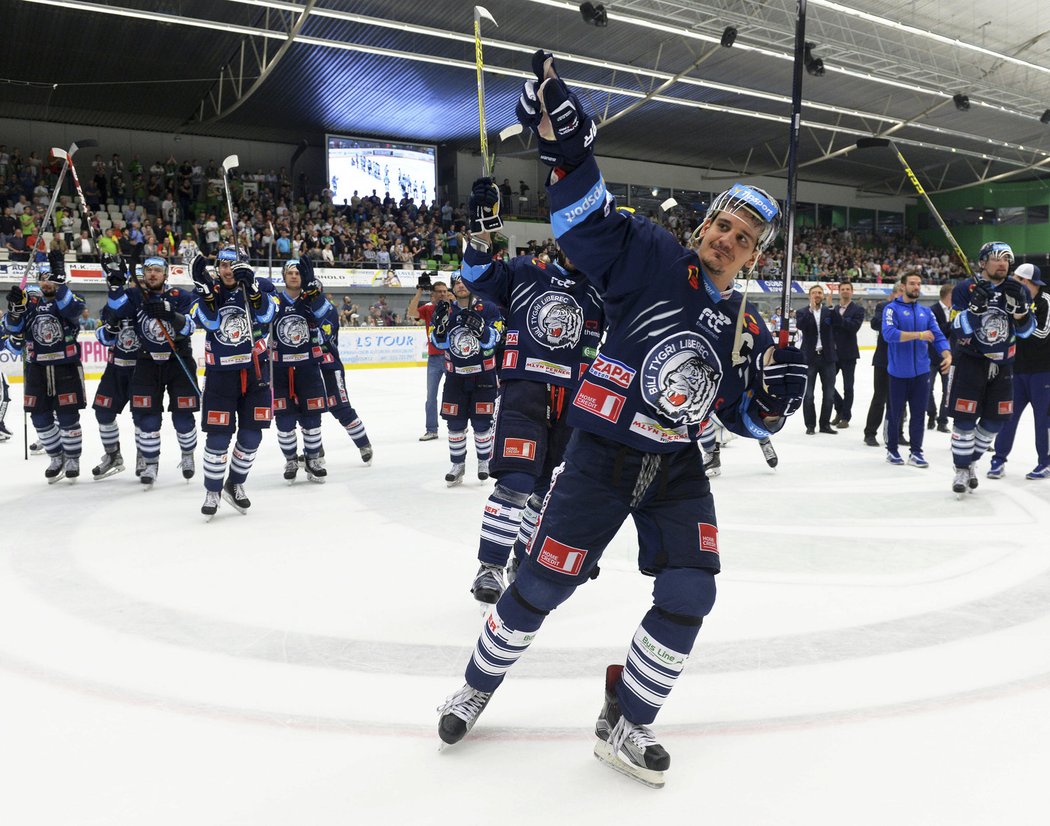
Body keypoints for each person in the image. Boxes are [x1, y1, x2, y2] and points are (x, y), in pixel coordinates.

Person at [437, 52, 807, 788]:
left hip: (674, 467)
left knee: (691, 592)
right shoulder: (651, 255)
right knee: (540, 588)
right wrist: (568, 150)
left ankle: (627, 717)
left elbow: (742, 418)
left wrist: (776, 402)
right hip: (602, 452)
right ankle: (477, 684)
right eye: (721, 224)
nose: (725, 239)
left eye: (742, 237)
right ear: (704, 225)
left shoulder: (746, 326)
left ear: (755, 254)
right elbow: (585, 223)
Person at [459, 195, 604, 607]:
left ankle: (522, 559)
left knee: (547, 490)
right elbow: (475, 275)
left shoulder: (601, 290)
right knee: (516, 482)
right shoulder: (526, 271)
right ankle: (489, 566)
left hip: (576, 401)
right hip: (527, 390)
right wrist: (483, 229)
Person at [190, 246, 278, 517]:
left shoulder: (261, 285)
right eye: (223, 265)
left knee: (252, 435)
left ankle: (235, 484)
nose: (227, 270)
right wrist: (206, 296)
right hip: (220, 375)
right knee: (218, 437)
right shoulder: (207, 289)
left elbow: (266, 316)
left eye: (233, 264)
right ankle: (213, 490)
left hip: (256, 372)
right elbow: (211, 323)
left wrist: (253, 291)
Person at [948, 242, 1034, 495]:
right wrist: (975, 309)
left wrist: (1020, 312)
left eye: (1007, 259)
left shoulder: (1018, 289)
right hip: (971, 361)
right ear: (982, 263)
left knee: (996, 421)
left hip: (1004, 364)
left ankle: (971, 460)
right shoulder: (966, 288)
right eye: (996, 259)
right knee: (964, 420)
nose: (1003, 263)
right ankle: (962, 469)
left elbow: (1027, 332)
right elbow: (957, 329)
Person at [105, 255, 199, 486]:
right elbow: (116, 308)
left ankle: (187, 455)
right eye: (148, 271)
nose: (153, 274)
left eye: (157, 270)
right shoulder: (135, 295)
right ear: (143, 274)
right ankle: (150, 463)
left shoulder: (180, 296)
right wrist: (116, 286)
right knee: (147, 419)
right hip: (146, 362)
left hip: (179, 360)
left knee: (183, 419)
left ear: (166, 274)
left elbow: (191, 327)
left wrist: (171, 315)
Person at [2, 256, 87, 482]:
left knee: (68, 416)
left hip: (65, 366)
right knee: (39, 417)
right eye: (43, 279)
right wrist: (14, 308)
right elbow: (12, 328)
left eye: (51, 280)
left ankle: (72, 458)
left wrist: (60, 286)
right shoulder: (30, 303)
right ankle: (56, 455)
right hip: (37, 368)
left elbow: (72, 310)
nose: (46, 283)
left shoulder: (70, 297)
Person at [429, 274, 502, 486]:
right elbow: (438, 344)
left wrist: (482, 330)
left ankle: (483, 463)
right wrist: (440, 330)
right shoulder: (445, 310)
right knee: (455, 423)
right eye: (456, 283)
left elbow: (493, 341)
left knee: (482, 423)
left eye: (464, 281)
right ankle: (457, 465)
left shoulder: (488, 308)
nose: (460, 285)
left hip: (484, 376)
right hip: (455, 377)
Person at [986, 263, 1050, 480]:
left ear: (1026, 282)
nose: (1013, 284)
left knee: (1043, 420)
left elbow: (1042, 334)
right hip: (1016, 369)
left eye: (1017, 281)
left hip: (1043, 371)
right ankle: (998, 459)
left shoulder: (1045, 302)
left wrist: (1020, 324)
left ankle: (1045, 462)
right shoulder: (1009, 301)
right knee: (1007, 417)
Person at [881, 272, 951, 467]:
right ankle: (892, 450)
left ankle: (916, 452)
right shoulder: (891, 309)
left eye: (919, 284)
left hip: (921, 373)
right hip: (897, 373)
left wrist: (947, 353)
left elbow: (937, 336)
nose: (916, 287)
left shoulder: (926, 312)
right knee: (895, 414)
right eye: (912, 283)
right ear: (903, 286)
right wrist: (919, 335)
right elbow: (889, 334)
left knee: (919, 413)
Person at [271, 257, 331, 483]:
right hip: (280, 370)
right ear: (284, 276)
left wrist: (313, 290)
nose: (294, 276)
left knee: (312, 419)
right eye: (291, 273)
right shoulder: (274, 300)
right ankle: (290, 459)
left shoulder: (311, 298)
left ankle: (313, 459)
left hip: (308, 367)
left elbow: (325, 314)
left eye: (298, 273)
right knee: (284, 422)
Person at [862, 282, 906, 447]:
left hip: (903, 361)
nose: (903, 294)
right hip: (883, 360)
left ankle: (898, 433)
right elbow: (875, 324)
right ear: (894, 294)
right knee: (879, 397)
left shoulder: (912, 310)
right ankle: (870, 433)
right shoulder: (883, 306)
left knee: (900, 400)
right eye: (900, 291)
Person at [407, 273, 450, 441]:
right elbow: (411, 314)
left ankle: (459, 424)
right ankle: (431, 429)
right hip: (433, 359)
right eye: (439, 291)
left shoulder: (453, 308)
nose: (442, 294)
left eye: (445, 291)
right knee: (431, 396)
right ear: (432, 294)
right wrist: (419, 291)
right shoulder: (428, 309)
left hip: (451, 357)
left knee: (456, 392)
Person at [795, 284, 841, 435]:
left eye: (819, 293)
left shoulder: (829, 311)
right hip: (809, 358)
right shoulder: (802, 312)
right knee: (808, 395)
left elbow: (839, 323)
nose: (817, 295)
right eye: (814, 292)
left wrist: (831, 307)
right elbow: (801, 326)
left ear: (823, 296)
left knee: (828, 394)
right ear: (810, 296)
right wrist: (811, 310)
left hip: (828, 358)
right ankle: (810, 425)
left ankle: (824, 424)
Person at [830, 281, 864, 428]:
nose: (845, 291)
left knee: (848, 387)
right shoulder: (835, 308)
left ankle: (845, 417)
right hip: (833, 353)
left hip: (849, 354)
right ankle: (840, 408)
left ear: (852, 291)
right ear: (839, 292)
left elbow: (853, 327)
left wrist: (837, 317)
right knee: (828, 384)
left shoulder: (858, 310)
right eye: (842, 289)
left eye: (847, 289)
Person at [927, 283, 953, 433]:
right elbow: (937, 332)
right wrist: (952, 323)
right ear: (948, 295)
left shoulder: (956, 311)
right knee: (927, 389)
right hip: (932, 356)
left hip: (949, 358)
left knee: (948, 391)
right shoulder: (932, 311)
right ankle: (931, 413)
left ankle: (943, 421)